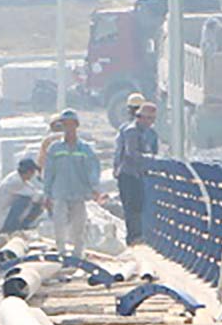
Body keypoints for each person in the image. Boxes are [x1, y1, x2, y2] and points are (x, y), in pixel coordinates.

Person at [40, 109, 103, 258]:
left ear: (76, 125)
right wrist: (47, 194)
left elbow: (93, 169)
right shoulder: (55, 149)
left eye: (70, 124)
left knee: (78, 225)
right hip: (60, 192)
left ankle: (77, 253)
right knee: (59, 223)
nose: (68, 128)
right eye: (65, 124)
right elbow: (49, 172)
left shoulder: (85, 149)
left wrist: (94, 187)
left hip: (79, 192)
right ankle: (61, 250)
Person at [113, 100, 160, 245]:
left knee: (141, 205)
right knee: (131, 206)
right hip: (129, 174)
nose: (150, 122)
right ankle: (133, 236)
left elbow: (154, 150)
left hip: (143, 174)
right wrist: (148, 159)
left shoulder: (151, 133)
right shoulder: (131, 131)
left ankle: (141, 234)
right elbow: (131, 153)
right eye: (148, 118)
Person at [0, 156, 45, 235]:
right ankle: (14, 229)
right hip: (1, 222)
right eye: (32, 172)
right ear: (28, 172)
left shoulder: (19, 179)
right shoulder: (15, 182)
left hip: (4, 217)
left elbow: (33, 190)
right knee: (25, 200)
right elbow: (35, 196)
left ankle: (19, 227)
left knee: (35, 200)